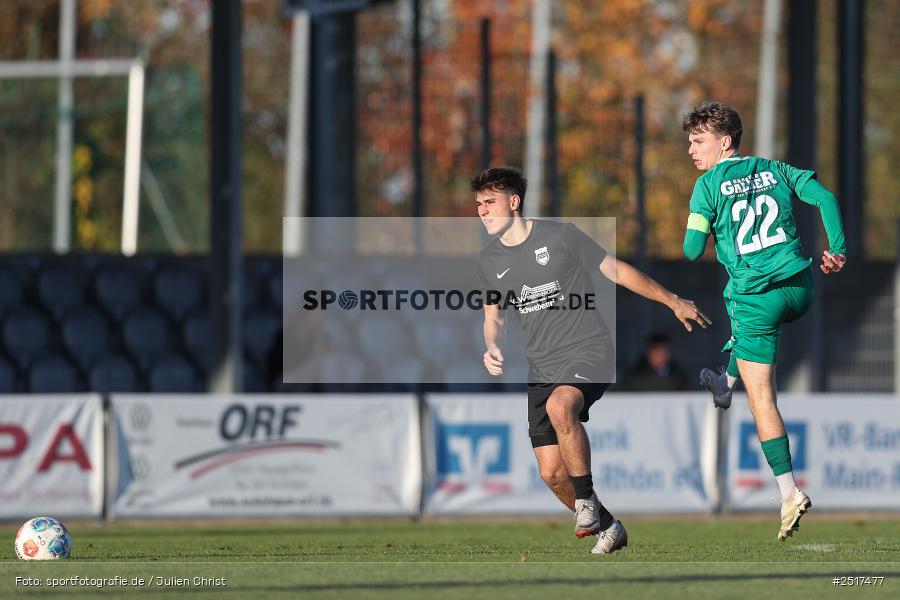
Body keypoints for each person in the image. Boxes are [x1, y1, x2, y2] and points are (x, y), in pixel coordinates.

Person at [473, 166, 711, 555]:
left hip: (589, 349)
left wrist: (672, 300)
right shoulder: (489, 260)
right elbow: (493, 316)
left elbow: (615, 270)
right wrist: (492, 344)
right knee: (551, 473)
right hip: (542, 366)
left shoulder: (560, 235)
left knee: (560, 405)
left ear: (514, 202)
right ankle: (608, 525)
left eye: (490, 203)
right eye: (478, 205)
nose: (482, 211)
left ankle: (586, 504)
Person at [680, 102, 846, 541]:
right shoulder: (775, 168)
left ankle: (788, 492)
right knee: (744, 341)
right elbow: (824, 198)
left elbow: (692, 250)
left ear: (725, 142)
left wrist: (703, 221)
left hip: (758, 299)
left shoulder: (707, 185)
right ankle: (723, 381)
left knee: (762, 398)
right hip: (800, 286)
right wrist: (839, 249)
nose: (692, 150)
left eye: (698, 142)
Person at [619, 332, 690, 392]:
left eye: (664, 352)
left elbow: (687, 390)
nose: (661, 356)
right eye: (657, 352)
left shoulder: (675, 372)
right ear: (649, 353)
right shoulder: (637, 372)